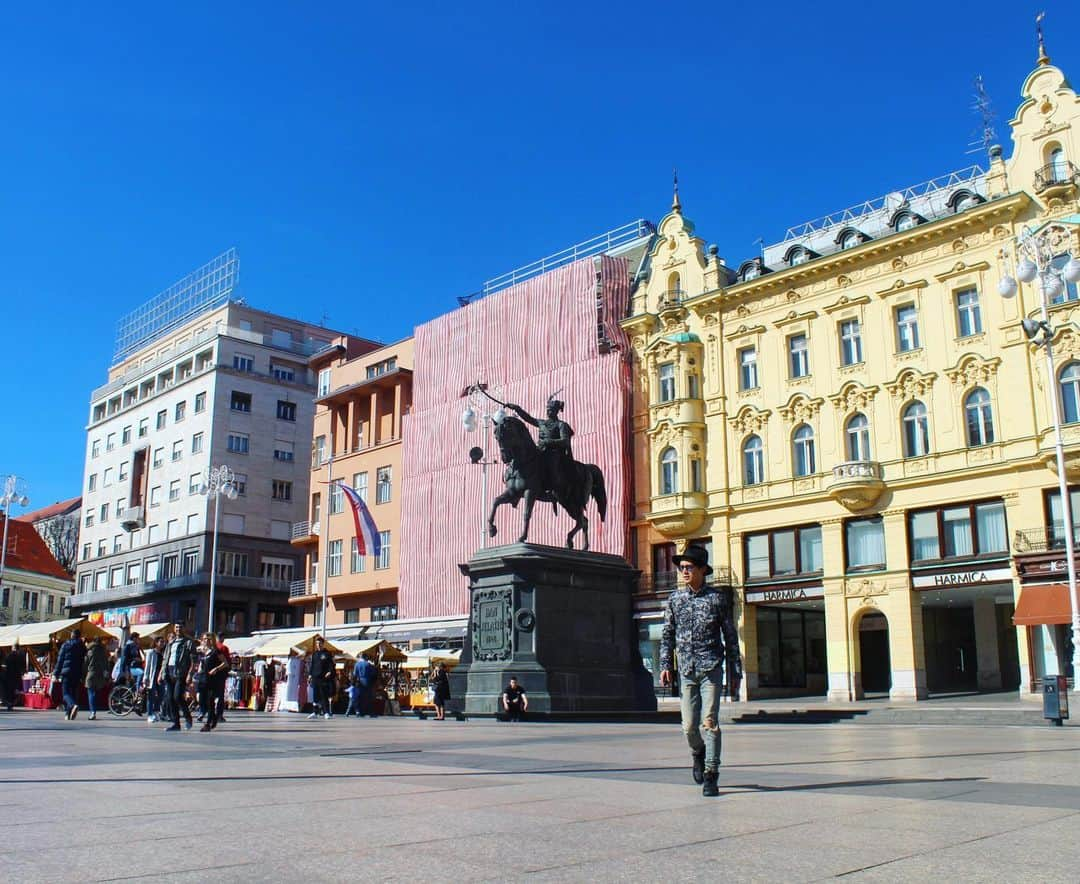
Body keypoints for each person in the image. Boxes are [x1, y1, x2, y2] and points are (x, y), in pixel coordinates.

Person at [659, 545, 741, 798]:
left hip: (711, 669)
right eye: (681, 567)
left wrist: (735, 667)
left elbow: (730, 634)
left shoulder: (717, 599)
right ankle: (698, 753)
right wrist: (665, 665)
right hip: (686, 670)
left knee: (710, 723)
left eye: (689, 567)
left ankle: (711, 775)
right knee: (688, 727)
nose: (684, 571)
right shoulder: (675, 599)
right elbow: (667, 634)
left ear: (702, 570)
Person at [508, 396, 574, 495]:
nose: (548, 412)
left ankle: (554, 489)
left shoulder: (561, 425)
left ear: (556, 411)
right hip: (540, 451)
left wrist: (548, 441)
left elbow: (565, 441)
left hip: (554, 453)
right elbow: (528, 418)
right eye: (547, 410)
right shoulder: (541, 423)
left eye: (551, 410)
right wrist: (517, 408)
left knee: (552, 466)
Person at [161, 623, 195, 732]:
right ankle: (176, 723)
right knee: (170, 698)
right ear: (174, 629)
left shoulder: (188, 642)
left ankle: (188, 717)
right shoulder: (171, 642)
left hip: (181, 672)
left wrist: (190, 673)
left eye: (180, 627)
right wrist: (162, 672)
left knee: (177, 697)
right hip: (169, 671)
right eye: (176, 627)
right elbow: (165, 658)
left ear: (184, 628)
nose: (178, 629)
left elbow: (194, 660)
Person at [195, 633, 229, 732]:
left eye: (209, 639)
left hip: (212, 679)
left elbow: (225, 663)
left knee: (210, 702)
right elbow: (201, 663)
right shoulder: (202, 652)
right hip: (202, 678)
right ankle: (214, 718)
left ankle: (208, 723)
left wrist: (216, 669)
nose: (206, 641)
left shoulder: (216, 651)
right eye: (205, 639)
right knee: (202, 701)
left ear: (212, 640)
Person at [54, 628, 87, 720]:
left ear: (72, 635)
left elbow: (60, 660)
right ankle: (68, 714)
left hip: (66, 672)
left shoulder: (66, 645)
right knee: (73, 693)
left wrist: (56, 673)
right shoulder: (82, 646)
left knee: (66, 694)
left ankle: (73, 705)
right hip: (77, 673)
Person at [307, 636, 336, 720]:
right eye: (317, 643)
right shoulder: (315, 654)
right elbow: (312, 665)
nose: (318, 645)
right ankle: (315, 712)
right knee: (315, 696)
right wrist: (310, 675)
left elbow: (331, 664)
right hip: (315, 677)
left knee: (323, 695)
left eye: (320, 643)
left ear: (323, 644)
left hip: (323, 677)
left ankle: (326, 713)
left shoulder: (327, 653)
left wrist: (330, 671)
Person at [84, 636, 109, 721]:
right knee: (95, 693)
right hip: (100, 674)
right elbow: (106, 663)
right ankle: (94, 710)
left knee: (91, 693)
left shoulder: (89, 650)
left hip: (91, 673)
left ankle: (92, 712)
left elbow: (85, 663)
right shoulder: (103, 651)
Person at [143, 635, 165, 723]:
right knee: (151, 696)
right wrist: (146, 677)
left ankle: (156, 711)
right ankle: (149, 714)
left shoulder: (163, 653)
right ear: (156, 643)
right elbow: (147, 665)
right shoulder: (151, 652)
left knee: (161, 694)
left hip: (160, 676)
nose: (162, 643)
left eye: (163, 642)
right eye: (161, 642)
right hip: (152, 675)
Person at [1, 640, 27, 711]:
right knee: (13, 690)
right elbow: (23, 666)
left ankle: (9, 703)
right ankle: (11, 703)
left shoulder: (10, 655)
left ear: (13, 648)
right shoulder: (22, 655)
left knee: (9, 690)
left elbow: (5, 664)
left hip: (9, 675)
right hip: (17, 675)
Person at [350, 653, 377, 718]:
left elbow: (354, 675)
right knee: (368, 697)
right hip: (367, 681)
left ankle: (360, 712)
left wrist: (353, 683)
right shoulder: (368, 664)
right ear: (365, 657)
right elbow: (373, 674)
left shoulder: (357, 664)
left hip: (359, 682)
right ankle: (370, 712)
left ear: (360, 657)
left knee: (360, 697)